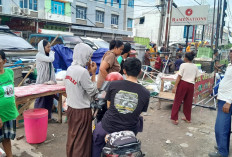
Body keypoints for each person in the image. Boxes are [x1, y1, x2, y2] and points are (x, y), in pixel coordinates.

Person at [92, 58, 150, 157]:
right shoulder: (146, 93)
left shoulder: (113, 85)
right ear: (140, 72)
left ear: (124, 71)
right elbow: (138, 112)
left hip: (108, 126)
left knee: (97, 139)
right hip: (130, 130)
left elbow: (109, 107)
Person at [65, 43, 98, 157]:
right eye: (89, 56)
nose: (90, 59)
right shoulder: (83, 72)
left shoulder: (70, 68)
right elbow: (93, 92)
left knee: (73, 136)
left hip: (71, 109)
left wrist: (88, 72)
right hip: (82, 111)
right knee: (82, 142)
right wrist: (93, 74)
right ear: (83, 55)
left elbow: (78, 83)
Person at [208, 50, 232, 157]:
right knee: (224, 127)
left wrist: (229, 101)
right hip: (223, 99)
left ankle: (222, 153)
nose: (230, 54)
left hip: (227, 101)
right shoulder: (230, 65)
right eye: (230, 52)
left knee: (220, 127)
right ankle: (223, 146)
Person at [171, 52, 199, 125]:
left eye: (184, 57)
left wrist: (175, 86)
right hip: (191, 85)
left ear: (186, 58)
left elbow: (179, 76)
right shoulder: (195, 66)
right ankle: (188, 118)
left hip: (183, 84)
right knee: (188, 102)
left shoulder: (183, 65)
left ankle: (175, 118)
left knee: (177, 101)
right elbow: (196, 78)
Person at [0, 50, 19, 157]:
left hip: (9, 113)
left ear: (4, 61)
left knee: (7, 138)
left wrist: (15, 112)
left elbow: (11, 93)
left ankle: (9, 155)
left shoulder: (10, 73)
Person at [34, 40, 57, 123]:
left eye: (50, 46)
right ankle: (37, 119)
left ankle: (48, 118)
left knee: (49, 100)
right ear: (42, 48)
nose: (49, 48)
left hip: (49, 82)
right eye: (48, 47)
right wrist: (52, 53)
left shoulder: (47, 55)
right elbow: (51, 59)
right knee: (40, 100)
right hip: (41, 82)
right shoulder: (39, 55)